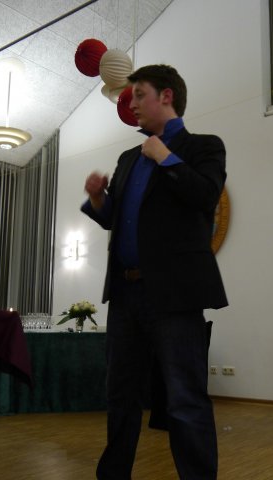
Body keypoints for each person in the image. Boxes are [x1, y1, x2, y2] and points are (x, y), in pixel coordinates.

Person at [81, 64, 228, 480]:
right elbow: (115, 219)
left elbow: (206, 195)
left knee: (184, 399)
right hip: (125, 295)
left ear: (166, 96)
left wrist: (165, 156)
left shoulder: (204, 146)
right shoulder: (129, 157)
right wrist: (97, 199)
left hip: (175, 296)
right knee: (120, 396)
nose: (131, 104)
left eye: (139, 95)